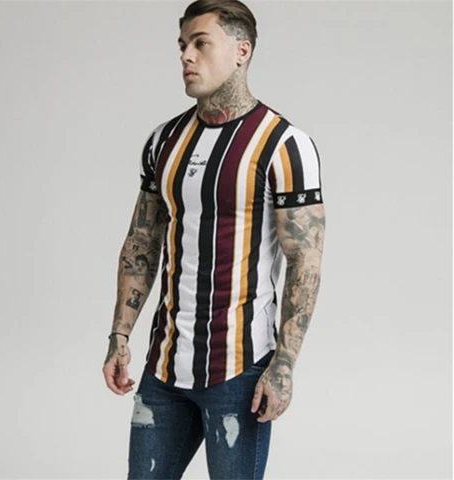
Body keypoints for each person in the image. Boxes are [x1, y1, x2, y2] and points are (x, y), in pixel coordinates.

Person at [102, 0, 326, 478]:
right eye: (183, 45)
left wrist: (284, 364)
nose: (186, 55)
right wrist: (120, 334)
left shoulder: (285, 145)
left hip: (239, 370)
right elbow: (141, 242)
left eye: (201, 43)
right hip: (164, 367)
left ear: (242, 51)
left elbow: (304, 261)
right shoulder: (164, 141)